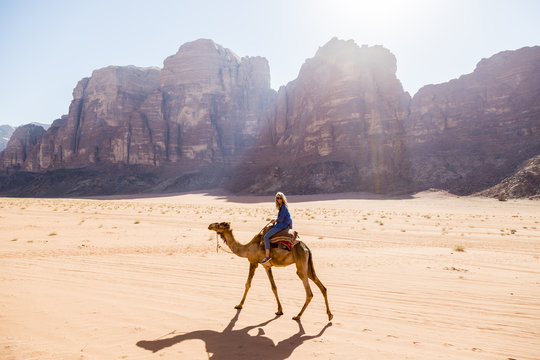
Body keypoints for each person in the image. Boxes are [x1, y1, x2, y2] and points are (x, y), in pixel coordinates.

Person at [262, 192, 292, 264]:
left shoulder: (283, 207)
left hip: (282, 225)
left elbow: (281, 219)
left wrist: (275, 220)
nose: (279, 199)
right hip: (282, 224)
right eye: (277, 198)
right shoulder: (282, 207)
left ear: (283, 199)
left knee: (266, 237)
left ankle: (267, 256)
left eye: (280, 198)